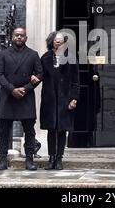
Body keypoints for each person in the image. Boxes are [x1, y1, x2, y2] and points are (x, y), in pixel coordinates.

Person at [0, 27, 43, 171]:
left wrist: (26, 88)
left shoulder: (33, 55)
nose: (19, 37)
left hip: (25, 96)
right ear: (13, 37)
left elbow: (40, 74)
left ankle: (29, 159)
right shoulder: (3, 54)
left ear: (26, 38)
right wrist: (12, 89)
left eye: (22, 35)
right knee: (4, 130)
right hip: (8, 96)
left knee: (29, 130)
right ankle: (3, 159)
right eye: (17, 35)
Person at [39, 31, 79, 170]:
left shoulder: (71, 58)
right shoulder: (45, 58)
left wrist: (74, 98)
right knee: (51, 129)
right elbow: (39, 75)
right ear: (52, 41)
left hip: (65, 99)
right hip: (50, 99)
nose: (58, 42)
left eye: (61, 40)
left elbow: (75, 81)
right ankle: (51, 158)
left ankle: (59, 159)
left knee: (62, 130)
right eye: (56, 40)